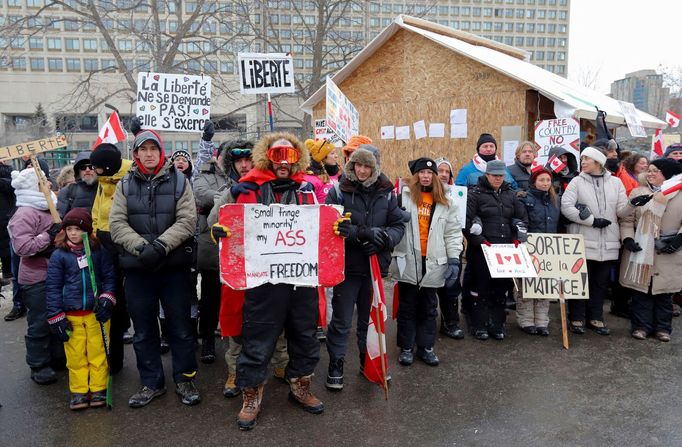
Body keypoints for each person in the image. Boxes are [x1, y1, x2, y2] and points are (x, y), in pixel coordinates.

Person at [210, 132, 323, 430]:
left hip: (301, 280)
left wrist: (337, 229)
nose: (283, 163)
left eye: (289, 156)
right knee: (257, 340)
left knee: (304, 336)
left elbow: (324, 225)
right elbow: (215, 220)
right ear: (267, 157)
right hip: (262, 281)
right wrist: (219, 231)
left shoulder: (308, 191)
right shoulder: (243, 189)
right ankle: (251, 396)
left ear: (298, 159)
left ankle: (300, 386)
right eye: (277, 156)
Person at [109, 129, 200, 408]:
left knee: (181, 327)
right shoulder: (124, 185)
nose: (149, 154)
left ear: (162, 153)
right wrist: (140, 248)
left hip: (173, 268)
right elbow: (116, 223)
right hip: (138, 270)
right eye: (143, 149)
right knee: (144, 330)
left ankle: (185, 379)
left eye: (154, 149)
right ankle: (151, 382)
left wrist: (160, 246)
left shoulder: (179, 181)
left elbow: (187, 220)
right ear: (135, 154)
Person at [324, 146, 404, 389]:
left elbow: (398, 225)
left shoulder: (387, 192)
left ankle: (367, 362)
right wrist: (361, 235)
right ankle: (336, 364)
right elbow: (330, 226)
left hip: (374, 268)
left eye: (367, 165)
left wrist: (383, 240)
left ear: (374, 168)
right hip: (347, 268)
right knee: (341, 321)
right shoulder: (339, 190)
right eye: (358, 164)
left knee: (370, 322)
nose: (361, 170)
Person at [392, 157, 462, 366]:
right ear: (415, 175)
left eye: (429, 173)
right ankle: (406, 347)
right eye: (422, 172)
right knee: (407, 307)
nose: (426, 176)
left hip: (434, 260)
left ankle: (425, 347)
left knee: (429, 308)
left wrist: (454, 260)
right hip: (408, 259)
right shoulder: (402, 197)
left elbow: (453, 232)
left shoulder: (446, 200)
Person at [45, 208, 116, 410]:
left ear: (87, 231)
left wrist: (107, 299)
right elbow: (52, 287)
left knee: (98, 352)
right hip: (71, 315)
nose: (73, 233)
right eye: (69, 229)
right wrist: (56, 316)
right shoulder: (59, 255)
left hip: (96, 314)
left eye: (78, 229)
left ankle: (98, 388)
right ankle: (79, 391)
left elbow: (109, 278)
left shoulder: (98, 252)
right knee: (76, 355)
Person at [560, 147, 634, 335]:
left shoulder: (616, 183)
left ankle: (596, 317)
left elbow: (620, 211)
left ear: (598, 162)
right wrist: (592, 221)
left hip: (608, 242)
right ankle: (576, 317)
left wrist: (632, 204)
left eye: (587, 159)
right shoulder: (576, 181)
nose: (582, 162)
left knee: (600, 283)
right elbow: (566, 207)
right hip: (582, 240)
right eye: (582, 158)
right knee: (579, 281)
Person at [194, 140, 254, 364]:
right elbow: (202, 197)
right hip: (215, 249)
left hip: (249, 254)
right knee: (211, 297)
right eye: (238, 160)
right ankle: (208, 337)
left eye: (248, 160)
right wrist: (228, 193)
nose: (244, 165)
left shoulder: (260, 181)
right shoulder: (208, 176)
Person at [8, 167, 64, 385]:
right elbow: (23, 247)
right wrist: (48, 235)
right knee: (40, 320)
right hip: (37, 277)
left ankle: (57, 356)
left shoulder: (50, 208)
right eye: (42, 181)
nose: (49, 184)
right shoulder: (24, 213)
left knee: (58, 316)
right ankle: (39, 363)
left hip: (56, 273)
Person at [463, 160, 527, 340]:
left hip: (505, 251)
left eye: (501, 175)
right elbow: (466, 222)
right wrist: (479, 240)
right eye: (494, 175)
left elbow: (521, 217)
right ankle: (479, 324)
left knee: (500, 289)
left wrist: (517, 236)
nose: (498, 179)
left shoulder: (511, 195)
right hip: (481, 250)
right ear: (487, 175)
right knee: (480, 288)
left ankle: (498, 324)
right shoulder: (474, 194)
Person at [620, 159, 682, 341]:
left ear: (667, 174)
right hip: (642, 248)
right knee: (641, 291)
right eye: (649, 170)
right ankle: (641, 326)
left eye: (656, 171)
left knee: (664, 293)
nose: (650, 173)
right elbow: (626, 219)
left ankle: (663, 328)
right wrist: (628, 238)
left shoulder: (679, 193)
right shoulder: (638, 191)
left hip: (668, 249)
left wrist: (680, 238)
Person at [90, 143, 134, 371]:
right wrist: (96, 234)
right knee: (111, 300)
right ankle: (114, 359)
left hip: (127, 245)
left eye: (96, 167)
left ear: (106, 167)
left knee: (136, 300)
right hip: (104, 246)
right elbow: (97, 212)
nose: (92, 171)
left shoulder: (129, 178)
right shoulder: (101, 183)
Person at [304, 138, 342, 341]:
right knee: (317, 283)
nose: (335, 157)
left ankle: (328, 319)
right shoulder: (311, 180)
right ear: (321, 158)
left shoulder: (334, 176)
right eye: (331, 154)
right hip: (315, 236)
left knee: (330, 283)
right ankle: (319, 321)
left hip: (331, 236)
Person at [516, 169, 560, 336]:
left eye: (548, 180)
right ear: (534, 182)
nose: (545, 183)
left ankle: (542, 320)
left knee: (545, 285)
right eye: (541, 180)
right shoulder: (525, 199)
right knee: (526, 285)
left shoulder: (556, 201)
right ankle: (526, 319)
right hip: (530, 248)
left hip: (548, 248)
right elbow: (519, 218)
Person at [433, 157, 465, 339]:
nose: (444, 174)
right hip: (431, 248)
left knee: (451, 287)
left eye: (447, 171)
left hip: (452, 245)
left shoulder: (458, 195)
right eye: (441, 170)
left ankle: (450, 322)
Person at [57, 152, 98, 217]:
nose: (87, 170)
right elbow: (61, 219)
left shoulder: (106, 189)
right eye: (83, 167)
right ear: (78, 171)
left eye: (91, 167)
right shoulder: (67, 191)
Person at [304, 139, 341, 204]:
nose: (336, 156)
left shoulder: (339, 174)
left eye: (335, 153)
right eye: (332, 153)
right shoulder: (310, 179)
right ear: (322, 158)